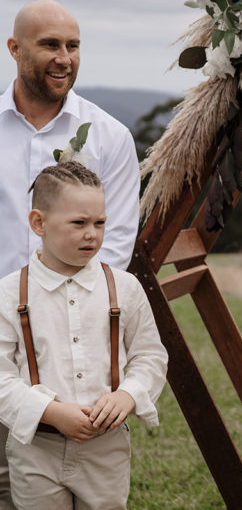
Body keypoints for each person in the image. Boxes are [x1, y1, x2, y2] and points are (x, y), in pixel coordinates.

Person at [0, 0, 141, 507]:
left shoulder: (109, 136)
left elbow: (117, 240)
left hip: (68, 338)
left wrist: (65, 314)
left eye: (73, 46)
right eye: (50, 45)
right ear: (15, 49)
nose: (64, 58)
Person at [0, 162, 167, 508]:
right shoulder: (9, 294)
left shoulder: (124, 288)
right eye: (79, 223)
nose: (92, 233)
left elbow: (150, 356)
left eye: (99, 223)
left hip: (106, 448)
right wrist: (49, 411)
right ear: (38, 223)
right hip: (36, 447)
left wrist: (129, 395)